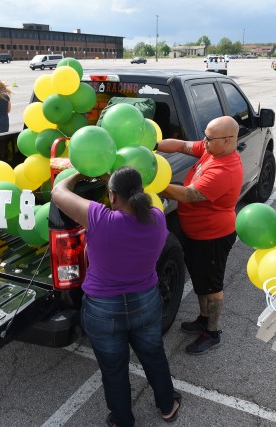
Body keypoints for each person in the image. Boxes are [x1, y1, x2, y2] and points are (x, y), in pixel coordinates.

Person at [51, 166, 182, 427]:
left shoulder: (99, 219)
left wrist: (79, 171)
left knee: (114, 368)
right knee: (153, 354)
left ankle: (122, 420)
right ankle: (167, 406)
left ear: (111, 196)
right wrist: (111, 182)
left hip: (103, 308)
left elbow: (58, 192)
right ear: (142, 192)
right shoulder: (157, 218)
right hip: (145, 301)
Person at [157, 116, 243, 355]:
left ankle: (212, 333)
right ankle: (203, 319)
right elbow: (183, 145)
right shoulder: (212, 150)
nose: (203, 141)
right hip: (196, 234)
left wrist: (152, 182)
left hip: (213, 237)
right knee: (200, 281)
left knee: (211, 286)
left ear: (227, 141)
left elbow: (186, 195)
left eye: (208, 138)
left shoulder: (225, 169)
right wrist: (154, 146)